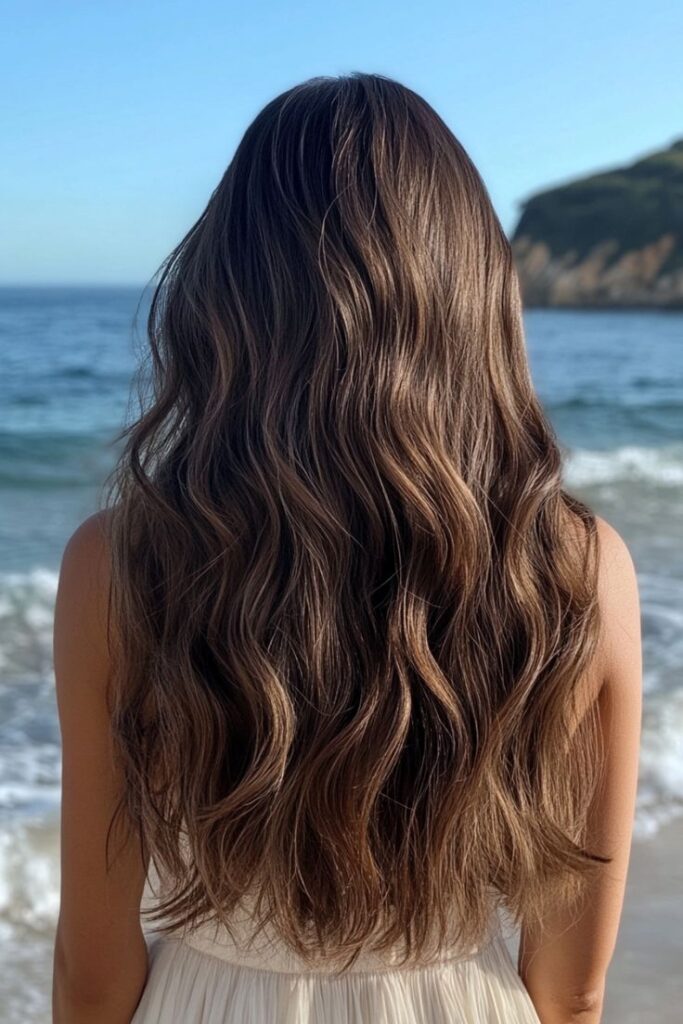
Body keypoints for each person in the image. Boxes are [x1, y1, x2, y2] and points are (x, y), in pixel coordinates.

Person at [51, 72, 642, 1024]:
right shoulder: (575, 570)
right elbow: (570, 991)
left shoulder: (121, 565)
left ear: (228, 295)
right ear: (473, 295)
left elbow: (93, 969)